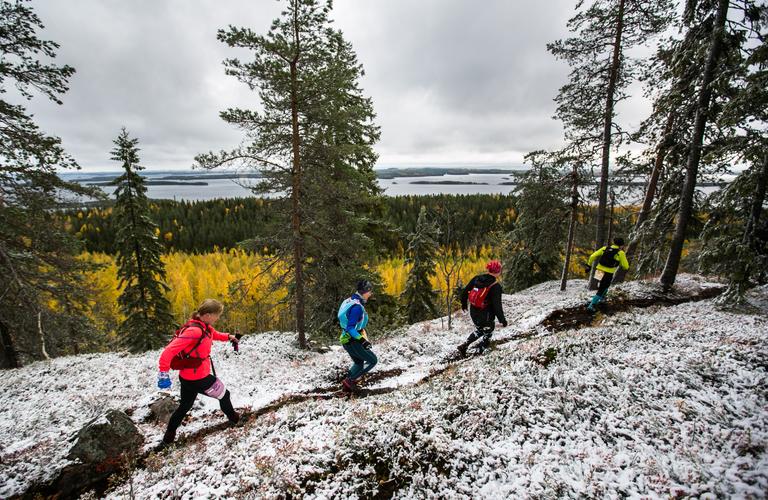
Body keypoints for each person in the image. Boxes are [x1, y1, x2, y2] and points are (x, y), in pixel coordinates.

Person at [157, 299, 241, 445]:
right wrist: (163, 373)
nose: (218, 318)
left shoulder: (204, 327)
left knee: (184, 407)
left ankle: (168, 438)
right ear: (208, 315)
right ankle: (236, 420)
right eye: (217, 315)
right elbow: (169, 350)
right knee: (224, 395)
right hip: (198, 378)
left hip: (187, 377)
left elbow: (214, 335)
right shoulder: (194, 331)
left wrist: (228, 337)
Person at [457, 260, 507, 356]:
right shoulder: (495, 286)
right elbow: (497, 306)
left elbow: (465, 291)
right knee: (488, 333)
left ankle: (464, 346)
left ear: (488, 269)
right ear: (498, 272)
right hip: (486, 315)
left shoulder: (477, 278)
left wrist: (463, 304)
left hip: (473, 311)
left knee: (480, 330)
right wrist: (502, 320)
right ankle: (479, 352)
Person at [338, 280, 378, 393]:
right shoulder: (357, 307)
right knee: (373, 360)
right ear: (365, 292)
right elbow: (351, 328)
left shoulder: (351, 300)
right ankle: (350, 381)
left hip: (346, 339)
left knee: (359, 363)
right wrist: (362, 341)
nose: (370, 294)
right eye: (370, 291)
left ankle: (347, 383)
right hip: (352, 340)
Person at [586, 237, 630, 312]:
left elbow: (592, 256)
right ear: (621, 245)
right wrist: (621, 264)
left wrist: (589, 265)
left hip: (599, 270)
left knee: (603, 286)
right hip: (608, 273)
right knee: (602, 288)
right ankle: (591, 305)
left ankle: (601, 299)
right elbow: (626, 266)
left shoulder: (604, 248)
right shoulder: (620, 253)